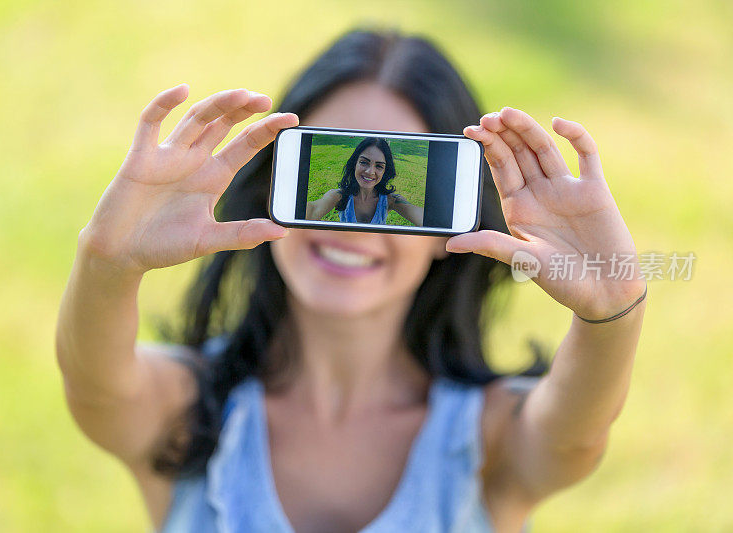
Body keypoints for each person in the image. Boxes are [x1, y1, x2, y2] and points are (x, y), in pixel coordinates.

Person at [56, 29, 647, 533]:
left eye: (388, 160)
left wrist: (613, 310)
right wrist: (107, 262)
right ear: (272, 188)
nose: (354, 238)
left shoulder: (488, 434)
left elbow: (576, 436)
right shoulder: (184, 406)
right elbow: (95, 385)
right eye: (354, 154)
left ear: (449, 233)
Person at [305, 137, 424, 226]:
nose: (370, 172)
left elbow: (423, 217)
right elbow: (312, 210)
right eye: (364, 162)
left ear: (385, 171)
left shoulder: (390, 200)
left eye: (379, 166)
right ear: (354, 164)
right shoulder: (339, 196)